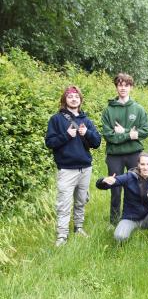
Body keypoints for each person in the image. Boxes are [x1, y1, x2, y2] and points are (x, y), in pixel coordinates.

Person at [45, 85, 102, 247]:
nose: (73, 99)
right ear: (65, 100)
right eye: (70, 97)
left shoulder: (86, 120)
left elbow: (97, 142)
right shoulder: (56, 119)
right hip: (67, 169)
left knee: (81, 201)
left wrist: (87, 133)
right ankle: (62, 235)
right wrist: (67, 135)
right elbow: (50, 142)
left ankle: (78, 228)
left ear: (80, 100)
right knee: (64, 203)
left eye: (76, 96)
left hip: (85, 168)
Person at [101, 73, 148, 225]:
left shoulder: (139, 109)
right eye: (120, 85)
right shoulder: (108, 110)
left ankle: (137, 218)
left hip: (134, 154)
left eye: (126, 85)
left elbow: (144, 132)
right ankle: (114, 221)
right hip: (114, 155)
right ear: (116, 87)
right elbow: (109, 136)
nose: (123, 88)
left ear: (131, 87)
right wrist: (131, 134)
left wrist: (124, 133)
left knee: (137, 186)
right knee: (115, 188)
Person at [96, 153, 148, 246]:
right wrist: (104, 180)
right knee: (120, 237)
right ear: (138, 165)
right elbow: (104, 185)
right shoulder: (129, 177)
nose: (145, 167)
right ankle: (127, 230)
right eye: (142, 164)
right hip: (130, 218)